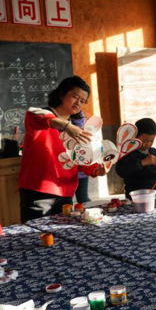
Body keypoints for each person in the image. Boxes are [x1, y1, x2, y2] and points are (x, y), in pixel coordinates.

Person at [19, 76, 106, 223]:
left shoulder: (76, 127)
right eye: (75, 96)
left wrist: (96, 170)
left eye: (83, 101)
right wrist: (66, 126)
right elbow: (34, 115)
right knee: (38, 236)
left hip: (66, 192)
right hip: (40, 193)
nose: (78, 103)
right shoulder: (42, 114)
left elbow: (79, 159)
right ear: (61, 94)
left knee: (62, 237)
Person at [115, 118, 156, 199]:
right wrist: (142, 163)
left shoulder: (154, 152)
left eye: (151, 141)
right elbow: (121, 171)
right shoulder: (127, 152)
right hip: (136, 197)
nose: (148, 144)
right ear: (135, 137)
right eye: (145, 141)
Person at [73, 111, 91, 203]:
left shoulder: (79, 117)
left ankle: (90, 215)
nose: (78, 103)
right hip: (67, 165)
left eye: (82, 101)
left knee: (83, 198)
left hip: (81, 163)